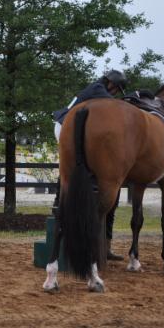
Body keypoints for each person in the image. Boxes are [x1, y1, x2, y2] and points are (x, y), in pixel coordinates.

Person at [52, 69, 128, 261]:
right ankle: (59, 195)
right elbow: (113, 105)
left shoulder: (98, 87)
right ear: (110, 83)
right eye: (116, 89)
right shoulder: (97, 88)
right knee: (71, 166)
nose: (115, 93)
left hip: (72, 124)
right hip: (63, 125)